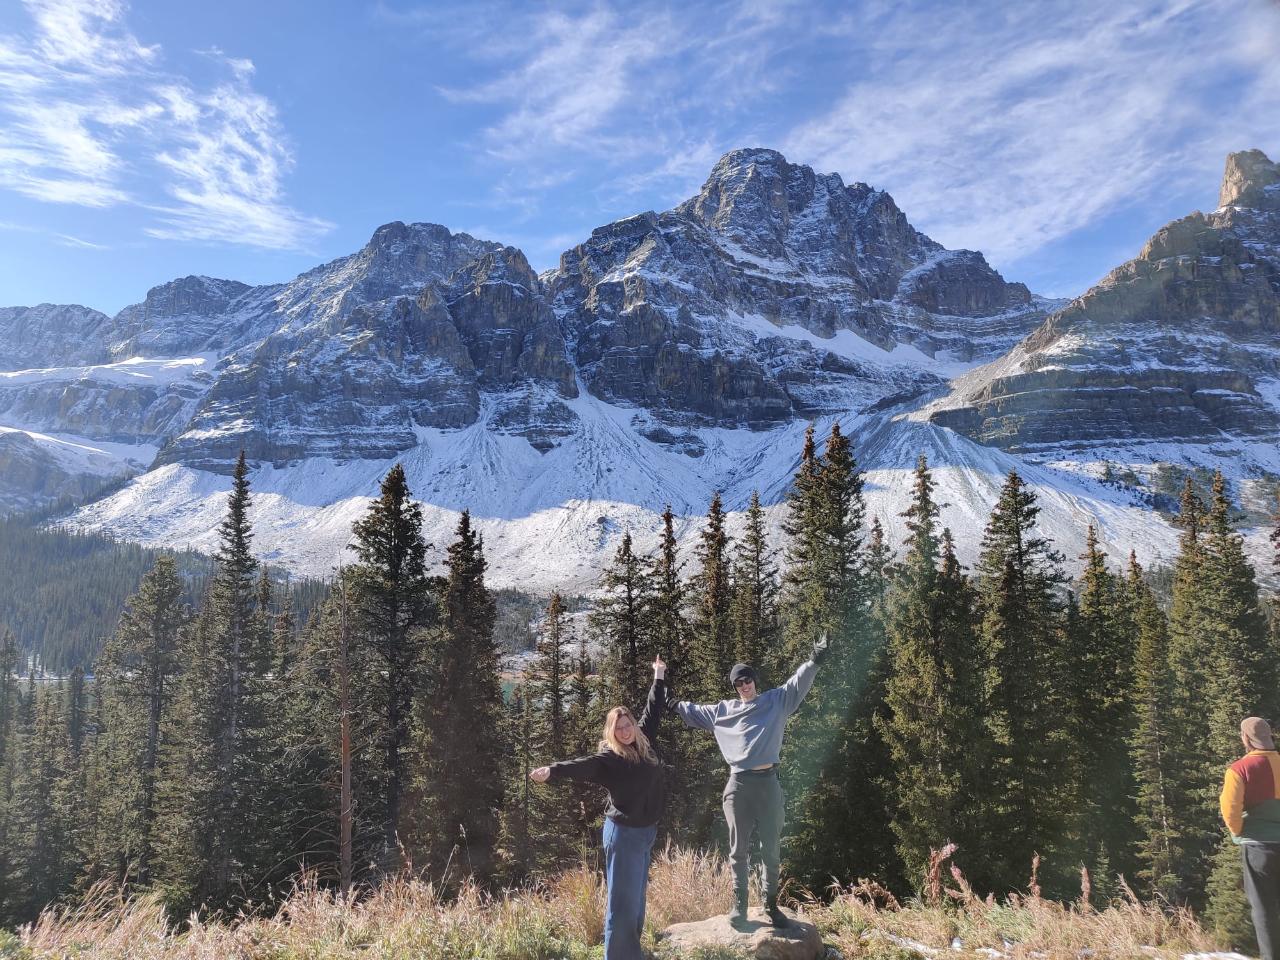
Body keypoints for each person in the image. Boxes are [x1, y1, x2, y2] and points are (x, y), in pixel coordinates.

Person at [670, 633, 829, 930]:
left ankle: (771, 906)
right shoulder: (722, 711)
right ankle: (739, 906)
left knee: (771, 847)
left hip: (768, 784)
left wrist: (815, 659)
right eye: (738, 684)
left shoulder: (776, 702)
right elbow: (691, 711)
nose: (744, 687)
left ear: (755, 680)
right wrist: (667, 698)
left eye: (747, 681)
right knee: (738, 848)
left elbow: (797, 683)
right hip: (738, 786)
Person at [531, 656, 668, 960]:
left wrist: (658, 676)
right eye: (618, 728)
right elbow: (582, 766)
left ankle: (632, 951)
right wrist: (552, 771)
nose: (624, 731)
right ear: (611, 732)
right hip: (623, 835)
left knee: (637, 900)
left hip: (646, 833)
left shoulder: (644, 741)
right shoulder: (609, 759)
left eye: (627, 725)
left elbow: (653, 709)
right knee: (621, 904)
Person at [1220, 716, 1280, 960]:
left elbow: (1230, 810)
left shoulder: (1239, 769)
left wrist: (1238, 832)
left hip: (1258, 847)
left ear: (1245, 739)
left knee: (1264, 910)